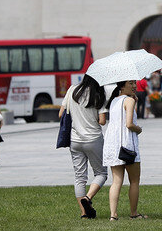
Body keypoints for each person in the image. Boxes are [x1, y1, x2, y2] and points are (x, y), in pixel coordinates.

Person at [59, 75, 108, 219]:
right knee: (101, 173)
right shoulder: (99, 94)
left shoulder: (72, 90)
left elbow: (61, 113)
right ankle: (88, 198)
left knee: (80, 177)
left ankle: (84, 213)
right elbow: (102, 121)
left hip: (75, 140)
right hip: (93, 139)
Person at [103, 80, 147, 220]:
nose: (134, 86)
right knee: (134, 181)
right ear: (122, 86)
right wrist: (138, 129)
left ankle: (113, 215)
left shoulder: (114, 101)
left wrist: (134, 101)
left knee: (116, 181)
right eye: (131, 83)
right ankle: (133, 214)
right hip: (128, 145)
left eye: (134, 83)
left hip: (113, 145)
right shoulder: (129, 100)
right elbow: (129, 124)